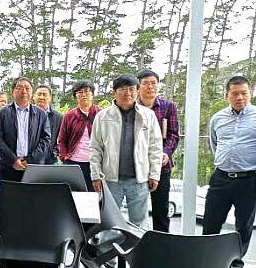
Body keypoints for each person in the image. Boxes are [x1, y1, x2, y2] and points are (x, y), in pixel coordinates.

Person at [204, 76, 256, 268]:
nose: (240, 97)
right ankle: (207, 261)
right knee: (211, 223)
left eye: (244, 93)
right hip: (221, 178)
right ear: (227, 95)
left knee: (243, 225)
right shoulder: (217, 118)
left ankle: (236, 264)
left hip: (248, 179)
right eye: (235, 93)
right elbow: (214, 144)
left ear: (250, 93)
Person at [90, 75, 162, 229]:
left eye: (131, 89)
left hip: (139, 180)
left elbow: (155, 147)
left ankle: (137, 246)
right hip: (111, 180)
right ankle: (109, 245)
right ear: (114, 93)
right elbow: (95, 148)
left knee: (139, 224)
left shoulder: (148, 115)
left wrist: (155, 174)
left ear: (137, 91)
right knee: (109, 223)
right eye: (122, 89)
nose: (127, 93)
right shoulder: (102, 117)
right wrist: (95, 175)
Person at [137, 69, 180, 232]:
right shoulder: (132, 107)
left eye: (153, 83)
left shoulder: (168, 107)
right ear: (138, 87)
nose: (150, 86)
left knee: (161, 210)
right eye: (145, 83)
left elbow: (173, 134)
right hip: (137, 165)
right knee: (136, 210)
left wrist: (166, 153)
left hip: (161, 166)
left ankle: (161, 244)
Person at [0, 77, 52, 182]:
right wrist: (13, 160)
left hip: (32, 167)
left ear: (32, 92)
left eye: (27, 88)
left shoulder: (41, 114)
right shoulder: (3, 113)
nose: (24, 91)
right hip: (8, 167)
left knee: (32, 193)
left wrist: (29, 160)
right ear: (13, 92)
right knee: (8, 193)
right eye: (19, 88)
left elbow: (46, 139)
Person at [58, 80, 100, 190]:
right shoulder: (69, 116)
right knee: (72, 193)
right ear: (75, 96)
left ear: (92, 94)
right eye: (80, 92)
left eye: (87, 91)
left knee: (94, 194)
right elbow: (62, 139)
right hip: (73, 162)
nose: (84, 95)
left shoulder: (101, 114)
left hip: (94, 163)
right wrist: (64, 156)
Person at [34, 84, 63, 164]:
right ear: (34, 97)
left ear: (50, 98)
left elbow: (62, 139)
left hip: (50, 160)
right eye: (39, 94)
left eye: (45, 95)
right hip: (30, 160)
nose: (41, 97)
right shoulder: (27, 114)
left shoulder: (58, 117)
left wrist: (55, 152)